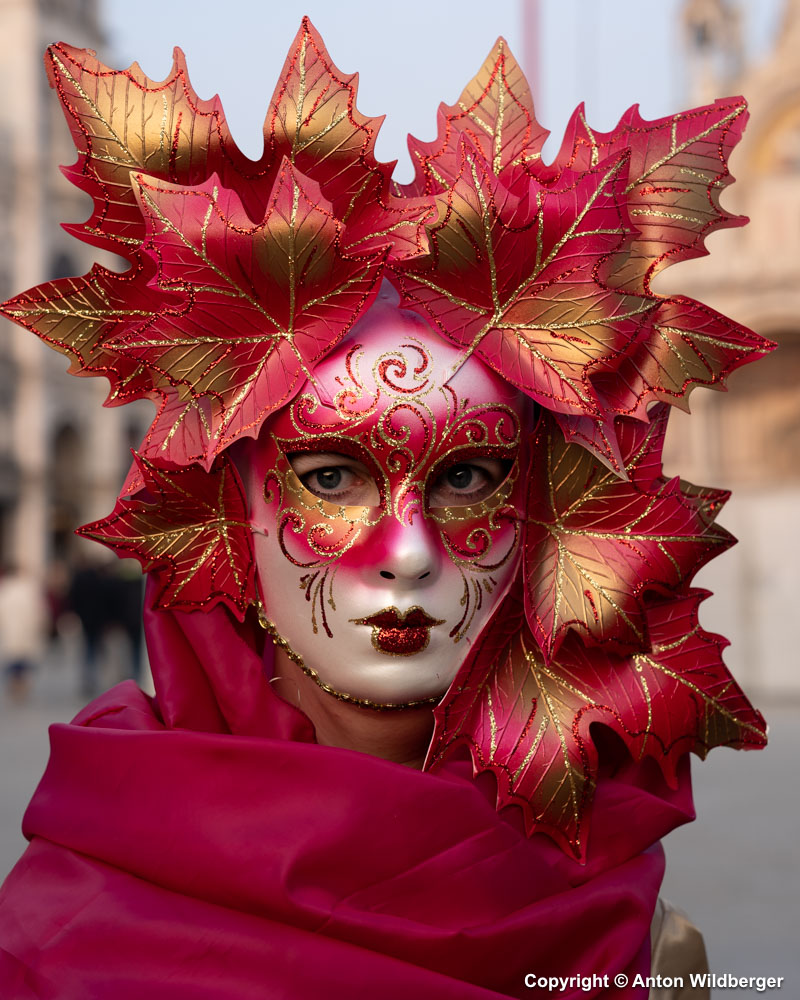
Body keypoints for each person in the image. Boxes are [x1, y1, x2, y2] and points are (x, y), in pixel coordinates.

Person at [0, 19, 771, 999]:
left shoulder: (635, 941)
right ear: (220, 516)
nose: (405, 554)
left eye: (465, 479)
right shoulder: (72, 926)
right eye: (327, 475)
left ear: (553, 512)